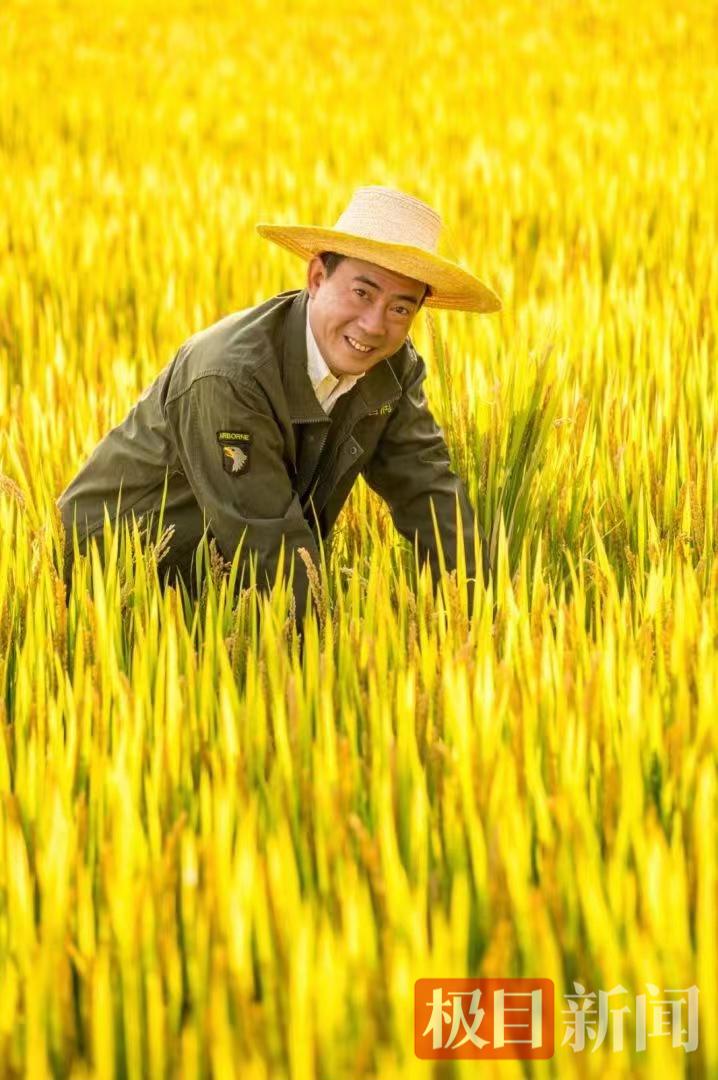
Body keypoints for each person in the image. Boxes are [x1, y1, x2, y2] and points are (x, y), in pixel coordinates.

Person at [58, 185, 501, 623]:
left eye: (400, 309)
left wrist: (484, 614)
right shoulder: (230, 377)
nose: (373, 325)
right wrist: (330, 651)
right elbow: (266, 543)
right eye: (362, 293)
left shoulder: (393, 368)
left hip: (217, 590)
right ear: (317, 278)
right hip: (104, 590)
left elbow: (426, 489)